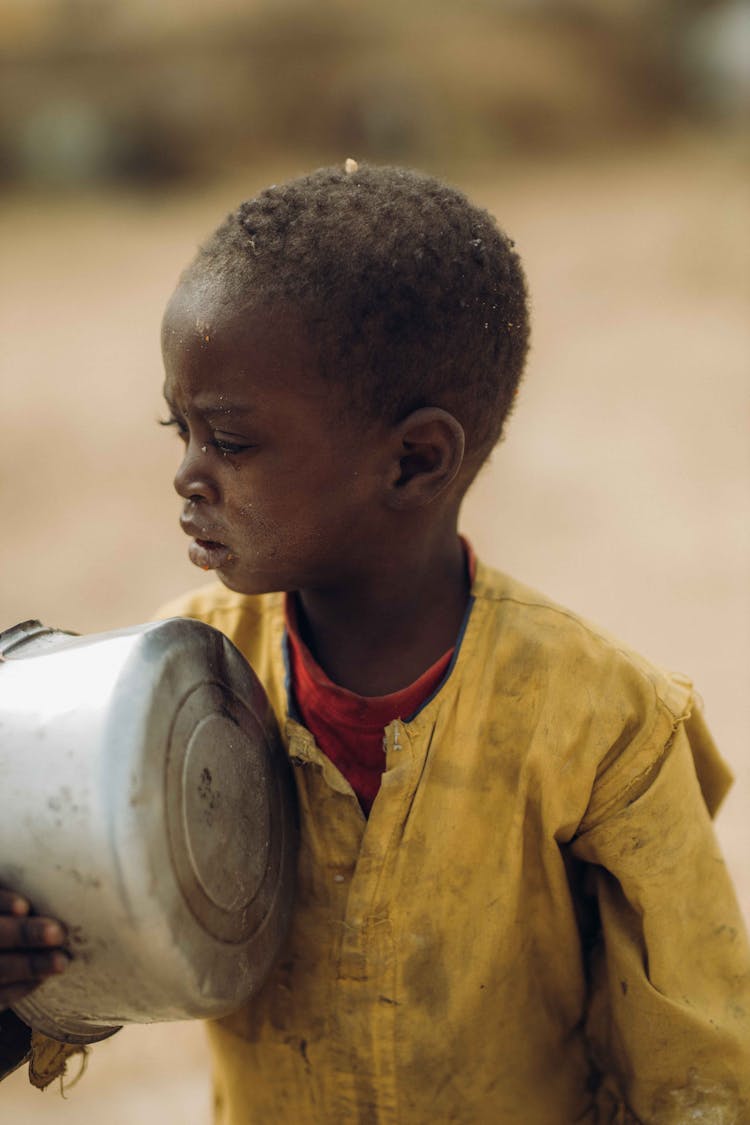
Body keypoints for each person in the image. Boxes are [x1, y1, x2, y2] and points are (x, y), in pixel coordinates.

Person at [2, 163, 749, 1121]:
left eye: (229, 441)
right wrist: (26, 977)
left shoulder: (602, 721)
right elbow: (73, 967)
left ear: (414, 459)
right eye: (177, 428)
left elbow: (699, 1064)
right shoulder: (164, 695)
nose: (186, 473)